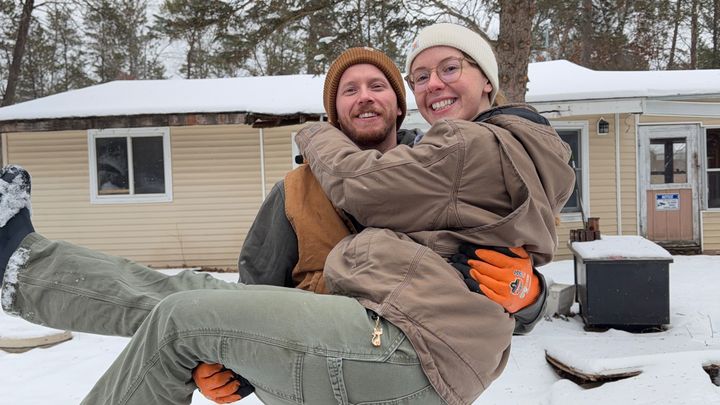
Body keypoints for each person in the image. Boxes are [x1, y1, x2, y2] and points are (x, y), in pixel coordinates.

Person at [0, 28, 572, 405]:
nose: (365, 96)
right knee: (187, 297)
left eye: (379, 85)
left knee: (184, 311)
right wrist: (230, 367)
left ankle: (23, 267)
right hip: (319, 349)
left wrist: (530, 295)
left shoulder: (442, 166)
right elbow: (254, 293)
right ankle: (23, 267)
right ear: (334, 111)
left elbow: (473, 282)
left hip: (390, 347)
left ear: (400, 106)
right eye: (349, 90)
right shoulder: (294, 192)